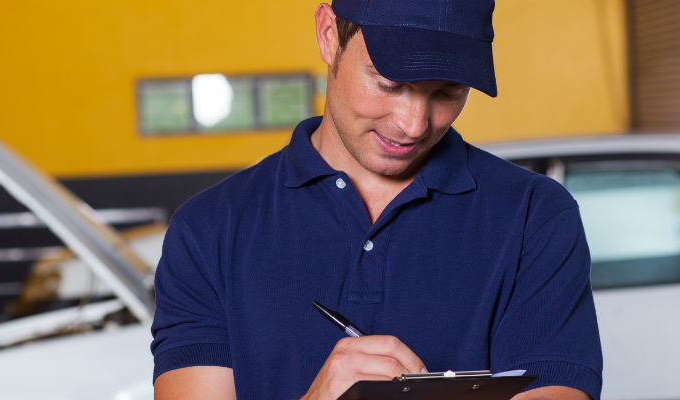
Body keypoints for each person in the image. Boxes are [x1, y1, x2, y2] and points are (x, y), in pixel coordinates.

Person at [150, 0, 603, 399]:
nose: (413, 124)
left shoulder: (535, 217)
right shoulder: (209, 230)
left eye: (447, 92)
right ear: (329, 36)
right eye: (390, 83)